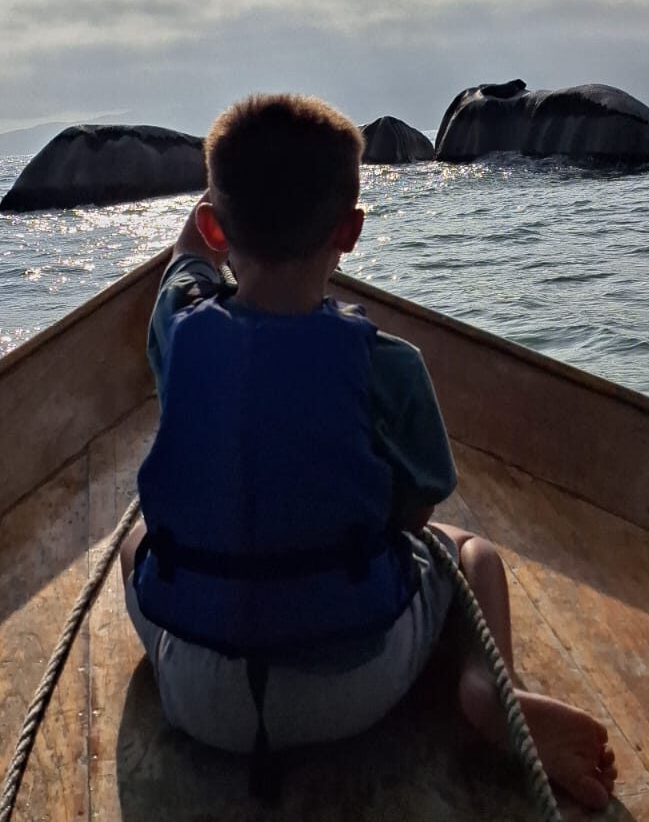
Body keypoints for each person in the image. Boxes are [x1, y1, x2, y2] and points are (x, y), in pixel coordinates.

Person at [122, 93, 616, 810]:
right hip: (354, 690)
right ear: (350, 231)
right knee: (471, 553)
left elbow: (186, 260)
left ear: (213, 224)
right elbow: (415, 514)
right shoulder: (391, 365)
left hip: (198, 699)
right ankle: (485, 685)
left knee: (140, 539)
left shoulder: (180, 322)